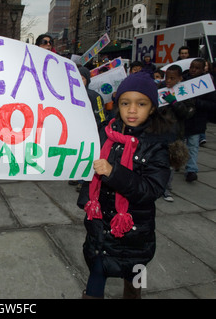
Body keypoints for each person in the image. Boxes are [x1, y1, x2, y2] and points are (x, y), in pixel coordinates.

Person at [77, 72, 172, 299]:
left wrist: (113, 172)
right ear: (117, 104)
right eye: (125, 103)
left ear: (151, 108)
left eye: (141, 104)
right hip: (102, 231)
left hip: (137, 236)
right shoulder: (105, 133)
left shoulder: (156, 146)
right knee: (95, 279)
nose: (131, 110)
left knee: (135, 282)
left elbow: (151, 190)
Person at [159, 65, 194, 201]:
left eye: (172, 78)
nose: (168, 80)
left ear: (180, 78)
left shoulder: (185, 93)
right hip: (159, 131)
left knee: (171, 163)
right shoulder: (160, 90)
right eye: (167, 77)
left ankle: (167, 189)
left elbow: (188, 113)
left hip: (175, 134)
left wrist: (174, 103)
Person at [182, 58, 216, 182]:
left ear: (203, 69)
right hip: (181, 119)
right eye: (192, 67)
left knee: (193, 146)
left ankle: (191, 170)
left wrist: (197, 102)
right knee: (178, 144)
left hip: (196, 121)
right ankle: (177, 163)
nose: (193, 70)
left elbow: (212, 104)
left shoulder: (207, 83)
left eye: (197, 68)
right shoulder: (182, 80)